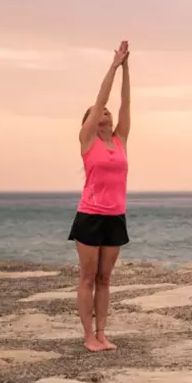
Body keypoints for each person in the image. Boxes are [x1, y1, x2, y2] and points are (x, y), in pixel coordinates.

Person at [68, 41, 131, 353]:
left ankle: (102, 333)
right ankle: (87, 335)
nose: (105, 112)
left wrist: (127, 68)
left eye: (106, 112)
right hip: (90, 216)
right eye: (99, 112)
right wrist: (113, 66)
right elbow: (102, 98)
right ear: (89, 121)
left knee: (105, 279)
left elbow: (124, 105)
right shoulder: (87, 140)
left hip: (115, 216)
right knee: (88, 278)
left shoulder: (120, 141)